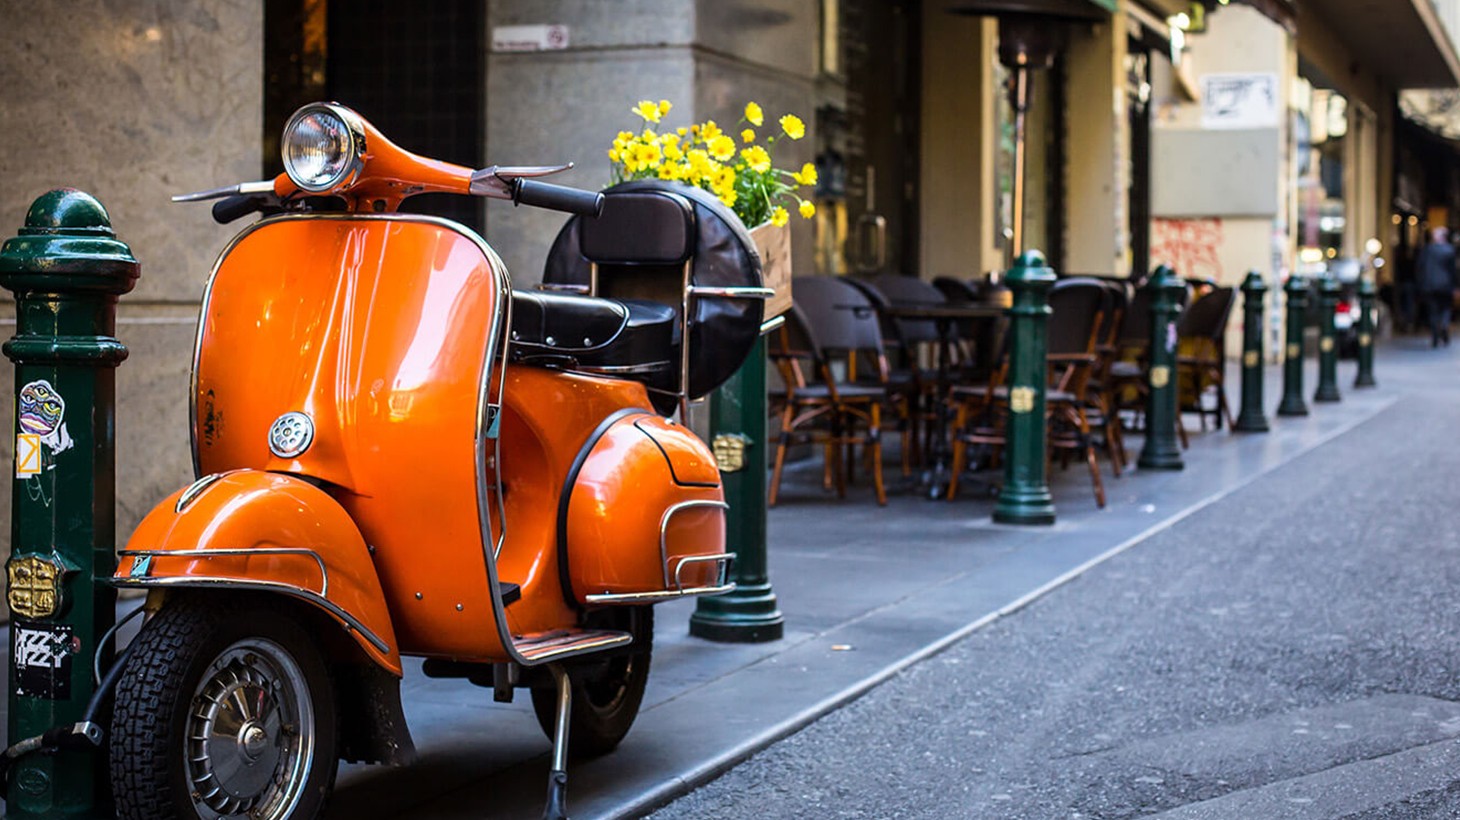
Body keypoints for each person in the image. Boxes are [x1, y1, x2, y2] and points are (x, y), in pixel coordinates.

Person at [1415, 226, 1457, 347]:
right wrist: (1455, 285)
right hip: (1446, 285)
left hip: (1429, 286)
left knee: (1433, 311)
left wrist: (1421, 284)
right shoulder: (1450, 250)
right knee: (1445, 309)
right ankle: (1444, 325)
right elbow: (1453, 270)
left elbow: (1420, 268)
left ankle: (1435, 336)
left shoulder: (1427, 250)